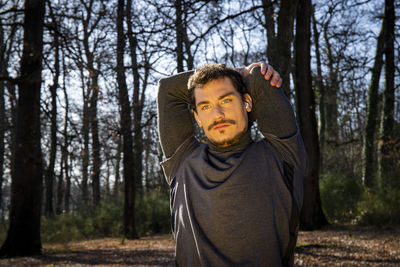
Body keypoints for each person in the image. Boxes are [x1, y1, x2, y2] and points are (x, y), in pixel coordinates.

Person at [157, 62, 308, 266]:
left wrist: (247, 73)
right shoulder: (182, 161)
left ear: (247, 102)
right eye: (205, 106)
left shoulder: (283, 154)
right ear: (197, 117)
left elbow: (258, 78)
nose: (217, 114)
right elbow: (167, 89)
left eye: (226, 100)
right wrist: (235, 72)